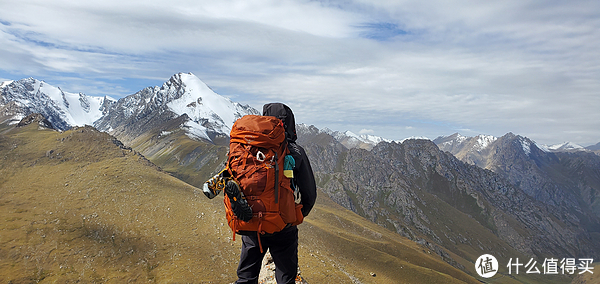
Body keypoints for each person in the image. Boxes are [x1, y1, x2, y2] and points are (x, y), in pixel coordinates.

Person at [234, 103, 317, 284]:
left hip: (253, 221)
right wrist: (297, 214)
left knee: (246, 277)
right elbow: (309, 193)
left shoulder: (249, 146)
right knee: (286, 277)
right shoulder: (296, 151)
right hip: (283, 223)